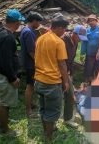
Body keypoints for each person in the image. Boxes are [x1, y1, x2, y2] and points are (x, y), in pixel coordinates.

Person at [34, 13, 70, 141]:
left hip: (38, 80)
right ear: (59, 27)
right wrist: (66, 81)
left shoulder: (40, 38)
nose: (64, 32)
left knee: (43, 108)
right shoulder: (58, 41)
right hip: (52, 82)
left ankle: (46, 131)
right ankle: (49, 137)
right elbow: (62, 64)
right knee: (52, 111)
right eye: (64, 29)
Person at [0, 9, 25, 136]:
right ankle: (5, 130)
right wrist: (13, 78)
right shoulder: (9, 37)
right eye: (19, 22)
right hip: (4, 76)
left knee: (1, 101)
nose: (20, 24)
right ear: (16, 23)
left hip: (2, 74)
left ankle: (3, 121)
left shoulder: (1, 32)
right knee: (5, 103)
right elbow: (5, 62)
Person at [61, 25, 88, 128]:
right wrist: (65, 76)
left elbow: (71, 60)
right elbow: (61, 60)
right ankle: (56, 119)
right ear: (74, 33)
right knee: (63, 95)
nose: (80, 41)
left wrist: (70, 74)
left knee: (70, 95)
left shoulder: (75, 42)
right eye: (79, 38)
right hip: (58, 71)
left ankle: (67, 119)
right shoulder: (63, 40)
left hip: (66, 72)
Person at [20, 11, 43, 117]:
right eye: (38, 22)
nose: (39, 24)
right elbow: (31, 52)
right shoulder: (29, 32)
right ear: (33, 21)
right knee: (30, 86)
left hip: (28, 62)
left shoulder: (26, 30)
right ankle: (28, 110)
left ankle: (30, 104)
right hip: (30, 64)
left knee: (31, 85)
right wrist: (38, 63)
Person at [81, 14, 99, 83]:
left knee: (98, 69)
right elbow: (84, 42)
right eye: (89, 21)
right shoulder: (86, 30)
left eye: (93, 20)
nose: (91, 22)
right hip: (89, 54)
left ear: (96, 21)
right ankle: (87, 83)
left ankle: (97, 83)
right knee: (88, 69)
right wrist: (82, 53)